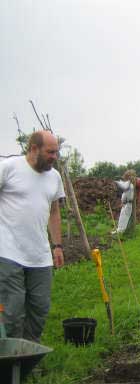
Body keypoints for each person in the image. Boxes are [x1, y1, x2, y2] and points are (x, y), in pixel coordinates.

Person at [0, 130, 65, 342]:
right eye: (50, 152)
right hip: (8, 251)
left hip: (40, 255)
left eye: (56, 152)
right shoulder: (9, 168)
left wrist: (57, 246)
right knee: (12, 310)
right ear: (34, 148)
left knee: (40, 309)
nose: (54, 157)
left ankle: (27, 358)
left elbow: (54, 212)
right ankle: (9, 365)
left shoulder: (54, 177)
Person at [113, 169, 136, 234]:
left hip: (128, 204)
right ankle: (119, 230)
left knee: (124, 218)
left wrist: (117, 182)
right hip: (125, 203)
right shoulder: (129, 184)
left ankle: (121, 231)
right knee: (122, 217)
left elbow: (124, 187)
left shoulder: (129, 184)